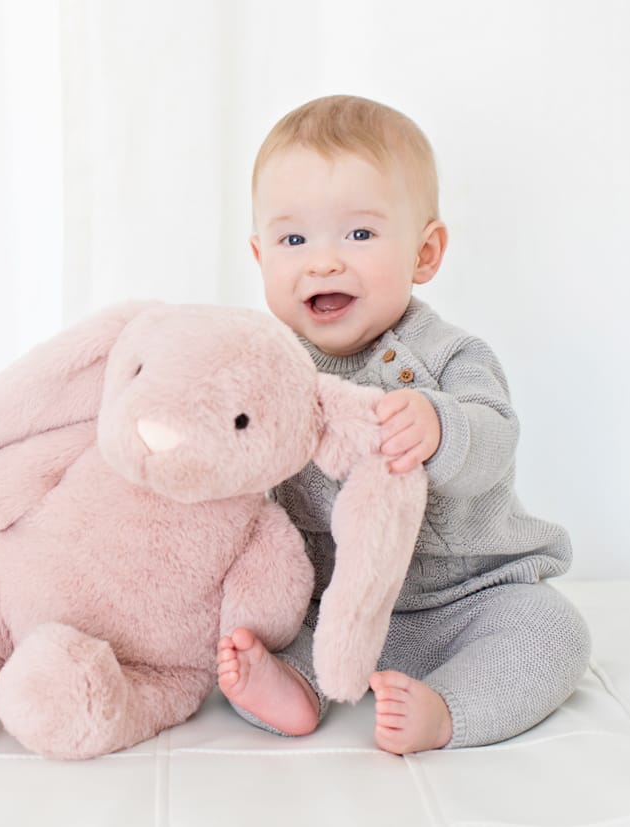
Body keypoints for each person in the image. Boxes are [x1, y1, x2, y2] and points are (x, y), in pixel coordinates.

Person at [217, 95, 590, 754]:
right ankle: (294, 687)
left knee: (555, 630)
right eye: (293, 239)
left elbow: (497, 436)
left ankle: (451, 706)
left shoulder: (449, 354)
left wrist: (442, 427)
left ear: (426, 252)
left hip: (469, 598)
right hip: (337, 607)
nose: (323, 261)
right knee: (245, 629)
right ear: (259, 254)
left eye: (359, 234)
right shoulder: (268, 370)